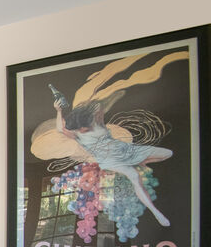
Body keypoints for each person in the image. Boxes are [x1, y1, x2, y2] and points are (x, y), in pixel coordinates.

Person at [51, 85, 172, 227]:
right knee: (134, 176)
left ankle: (139, 162)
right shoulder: (77, 135)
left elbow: (99, 107)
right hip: (110, 160)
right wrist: (58, 111)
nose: (83, 129)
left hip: (125, 150)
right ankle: (156, 212)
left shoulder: (96, 122)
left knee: (167, 153)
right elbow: (60, 128)